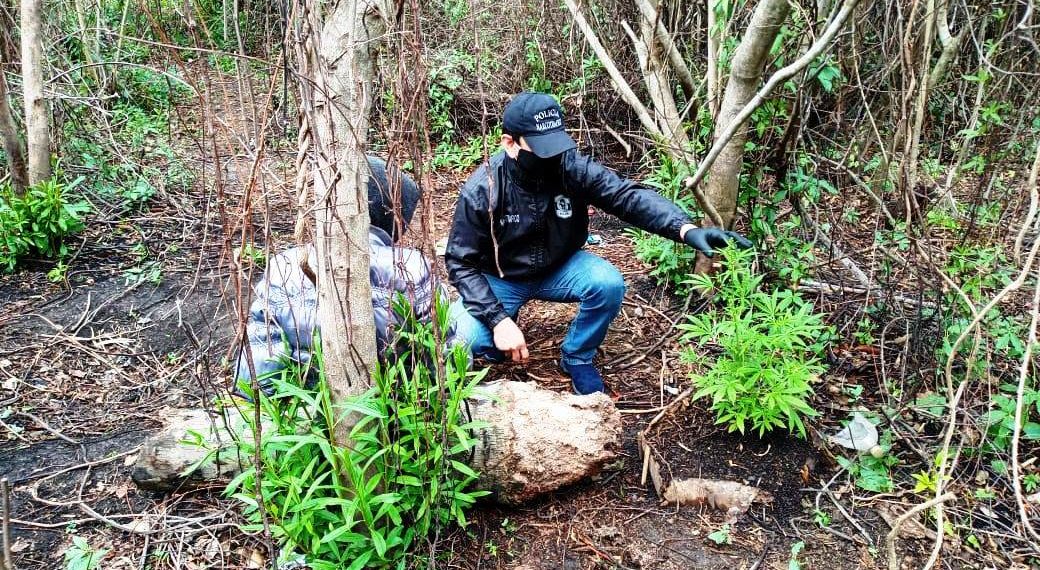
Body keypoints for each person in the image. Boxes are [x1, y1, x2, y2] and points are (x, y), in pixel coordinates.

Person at [445, 92, 751, 395]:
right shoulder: (483, 189)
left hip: (558, 266)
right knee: (465, 339)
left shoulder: (570, 167)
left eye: (555, 145)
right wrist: (498, 321)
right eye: (540, 149)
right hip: (502, 277)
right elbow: (460, 262)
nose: (551, 157)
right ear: (509, 143)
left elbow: (625, 196)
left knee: (608, 283)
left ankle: (577, 356)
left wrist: (685, 230)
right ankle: (504, 322)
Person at [235, 156, 453, 392]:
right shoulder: (412, 267)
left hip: (300, 415)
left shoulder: (283, 266)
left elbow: (253, 375)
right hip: (394, 415)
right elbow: (446, 366)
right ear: (394, 216)